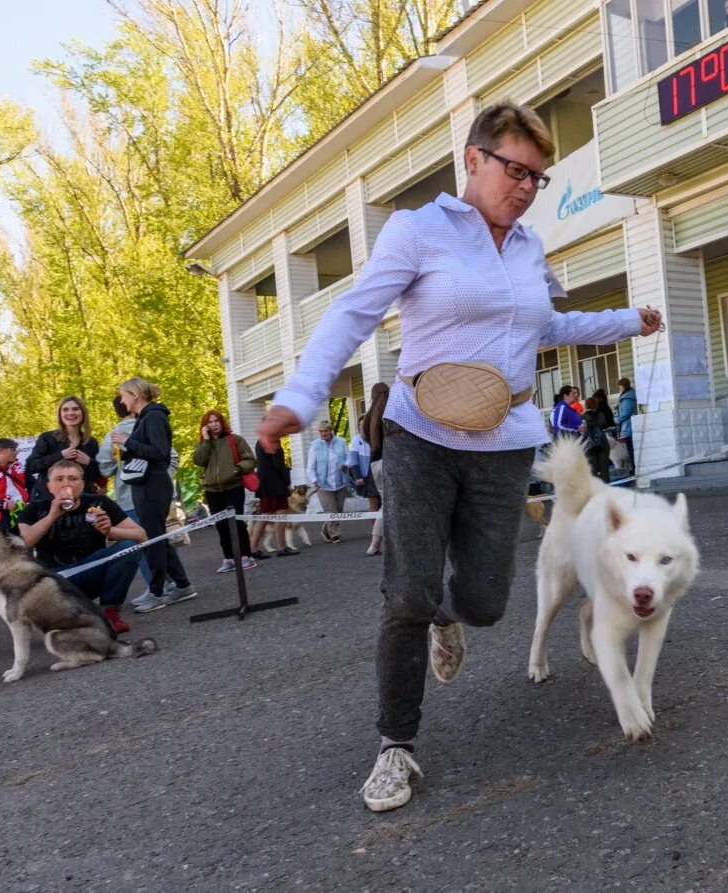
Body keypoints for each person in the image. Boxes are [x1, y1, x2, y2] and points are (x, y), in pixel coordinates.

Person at [256, 102, 662, 813]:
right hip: (420, 436)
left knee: (485, 599)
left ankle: (447, 612)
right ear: (473, 159)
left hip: (503, 444)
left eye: (539, 175)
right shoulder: (420, 231)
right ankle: (395, 748)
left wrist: (630, 319)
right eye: (516, 169)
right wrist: (302, 394)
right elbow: (353, 312)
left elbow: (549, 323)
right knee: (405, 592)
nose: (528, 186)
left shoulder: (530, 248)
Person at [17, 458, 148, 634]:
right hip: (56, 582)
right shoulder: (34, 509)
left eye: (72, 478)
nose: (66, 484)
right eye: (59, 479)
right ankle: (64, 620)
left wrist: (111, 531)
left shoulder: (99, 503)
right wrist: (51, 516)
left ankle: (109, 612)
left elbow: (141, 536)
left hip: (92, 571)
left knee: (128, 546)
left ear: (82, 483)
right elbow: (24, 544)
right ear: (49, 486)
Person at [112, 377, 197, 613]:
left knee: (154, 539)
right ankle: (182, 585)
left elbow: (160, 452)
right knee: (157, 536)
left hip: (153, 485)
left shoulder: (154, 416)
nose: (121, 400)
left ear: (135, 395)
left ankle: (157, 591)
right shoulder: (145, 418)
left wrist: (127, 441)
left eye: (123, 395)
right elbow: (148, 451)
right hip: (146, 485)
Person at [97, 395, 179, 598]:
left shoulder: (115, 435)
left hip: (131, 496)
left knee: (146, 543)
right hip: (158, 492)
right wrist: (162, 478)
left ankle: (157, 588)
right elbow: (172, 456)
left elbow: (105, 468)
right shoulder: (149, 422)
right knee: (160, 540)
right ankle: (179, 584)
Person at [192, 410, 258, 574]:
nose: (214, 424)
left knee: (237, 523)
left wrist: (236, 470)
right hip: (212, 490)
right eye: (210, 422)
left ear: (222, 422)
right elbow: (198, 460)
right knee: (221, 525)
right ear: (205, 426)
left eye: (216, 421)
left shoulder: (235, 440)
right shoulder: (203, 444)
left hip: (233, 487)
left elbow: (251, 460)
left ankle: (246, 556)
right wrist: (206, 441)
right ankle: (228, 558)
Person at [25, 396, 102, 502]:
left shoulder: (91, 442)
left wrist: (89, 462)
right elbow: (31, 466)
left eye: (75, 409)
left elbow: (98, 474)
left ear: (83, 413)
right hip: (48, 500)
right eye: (65, 409)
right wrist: (60, 456)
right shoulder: (47, 438)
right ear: (60, 415)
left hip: (81, 501)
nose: (70, 413)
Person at [249, 435, 298, 559]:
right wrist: (287, 482)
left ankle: (253, 548)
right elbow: (278, 464)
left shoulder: (260, 441)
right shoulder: (273, 440)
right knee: (280, 513)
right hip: (276, 483)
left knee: (265, 514)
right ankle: (281, 547)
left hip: (264, 482)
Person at [307, 420, 349, 543]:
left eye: (325, 431)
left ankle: (326, 529)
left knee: (339, 510)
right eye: (321, 431)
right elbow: (310, 468)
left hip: (340, 481)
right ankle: (335, 534)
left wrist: (345, 465)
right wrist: (315, 480)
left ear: (331, 431)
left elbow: (349, 458)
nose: (323, 433)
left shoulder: (341, 442)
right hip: (323, 484)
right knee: (330, 510)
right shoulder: (315, 446)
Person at [362, 382, 390, 556]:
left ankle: (374, 544)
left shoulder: (367, 419)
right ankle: (376, 543)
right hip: (391, 462)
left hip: (375, 463)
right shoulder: (389, 415)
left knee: (385, 504)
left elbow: (368, 441)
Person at [0, 438, 28, 532]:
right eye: (13, 450)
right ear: (2, 451)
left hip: (24, 513)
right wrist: (5, 505)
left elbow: (33, 485)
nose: (17, 452)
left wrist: (30, 501)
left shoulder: (18, 466)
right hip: (1, 520)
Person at [581, 397, 612, 482]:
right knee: (604, 469)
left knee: (593, 470)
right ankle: (606, 489)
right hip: (602, 443)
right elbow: (604, 424)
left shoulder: (582, 417)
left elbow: (582, 430)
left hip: (589, 445)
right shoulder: (601, 415)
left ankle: (596, 491)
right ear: (596, 405)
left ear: (586, 405)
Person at [615, 378, 637, 472]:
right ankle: (633, 467)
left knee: (631, 448)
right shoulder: (631, 395)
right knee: (631, 448)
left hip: (628, 425)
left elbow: (626, 413)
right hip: (631, 424)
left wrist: (617, 419)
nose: (620, 389)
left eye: (620, 387)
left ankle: (634, 468)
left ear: (622, 386)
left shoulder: (626, 398)